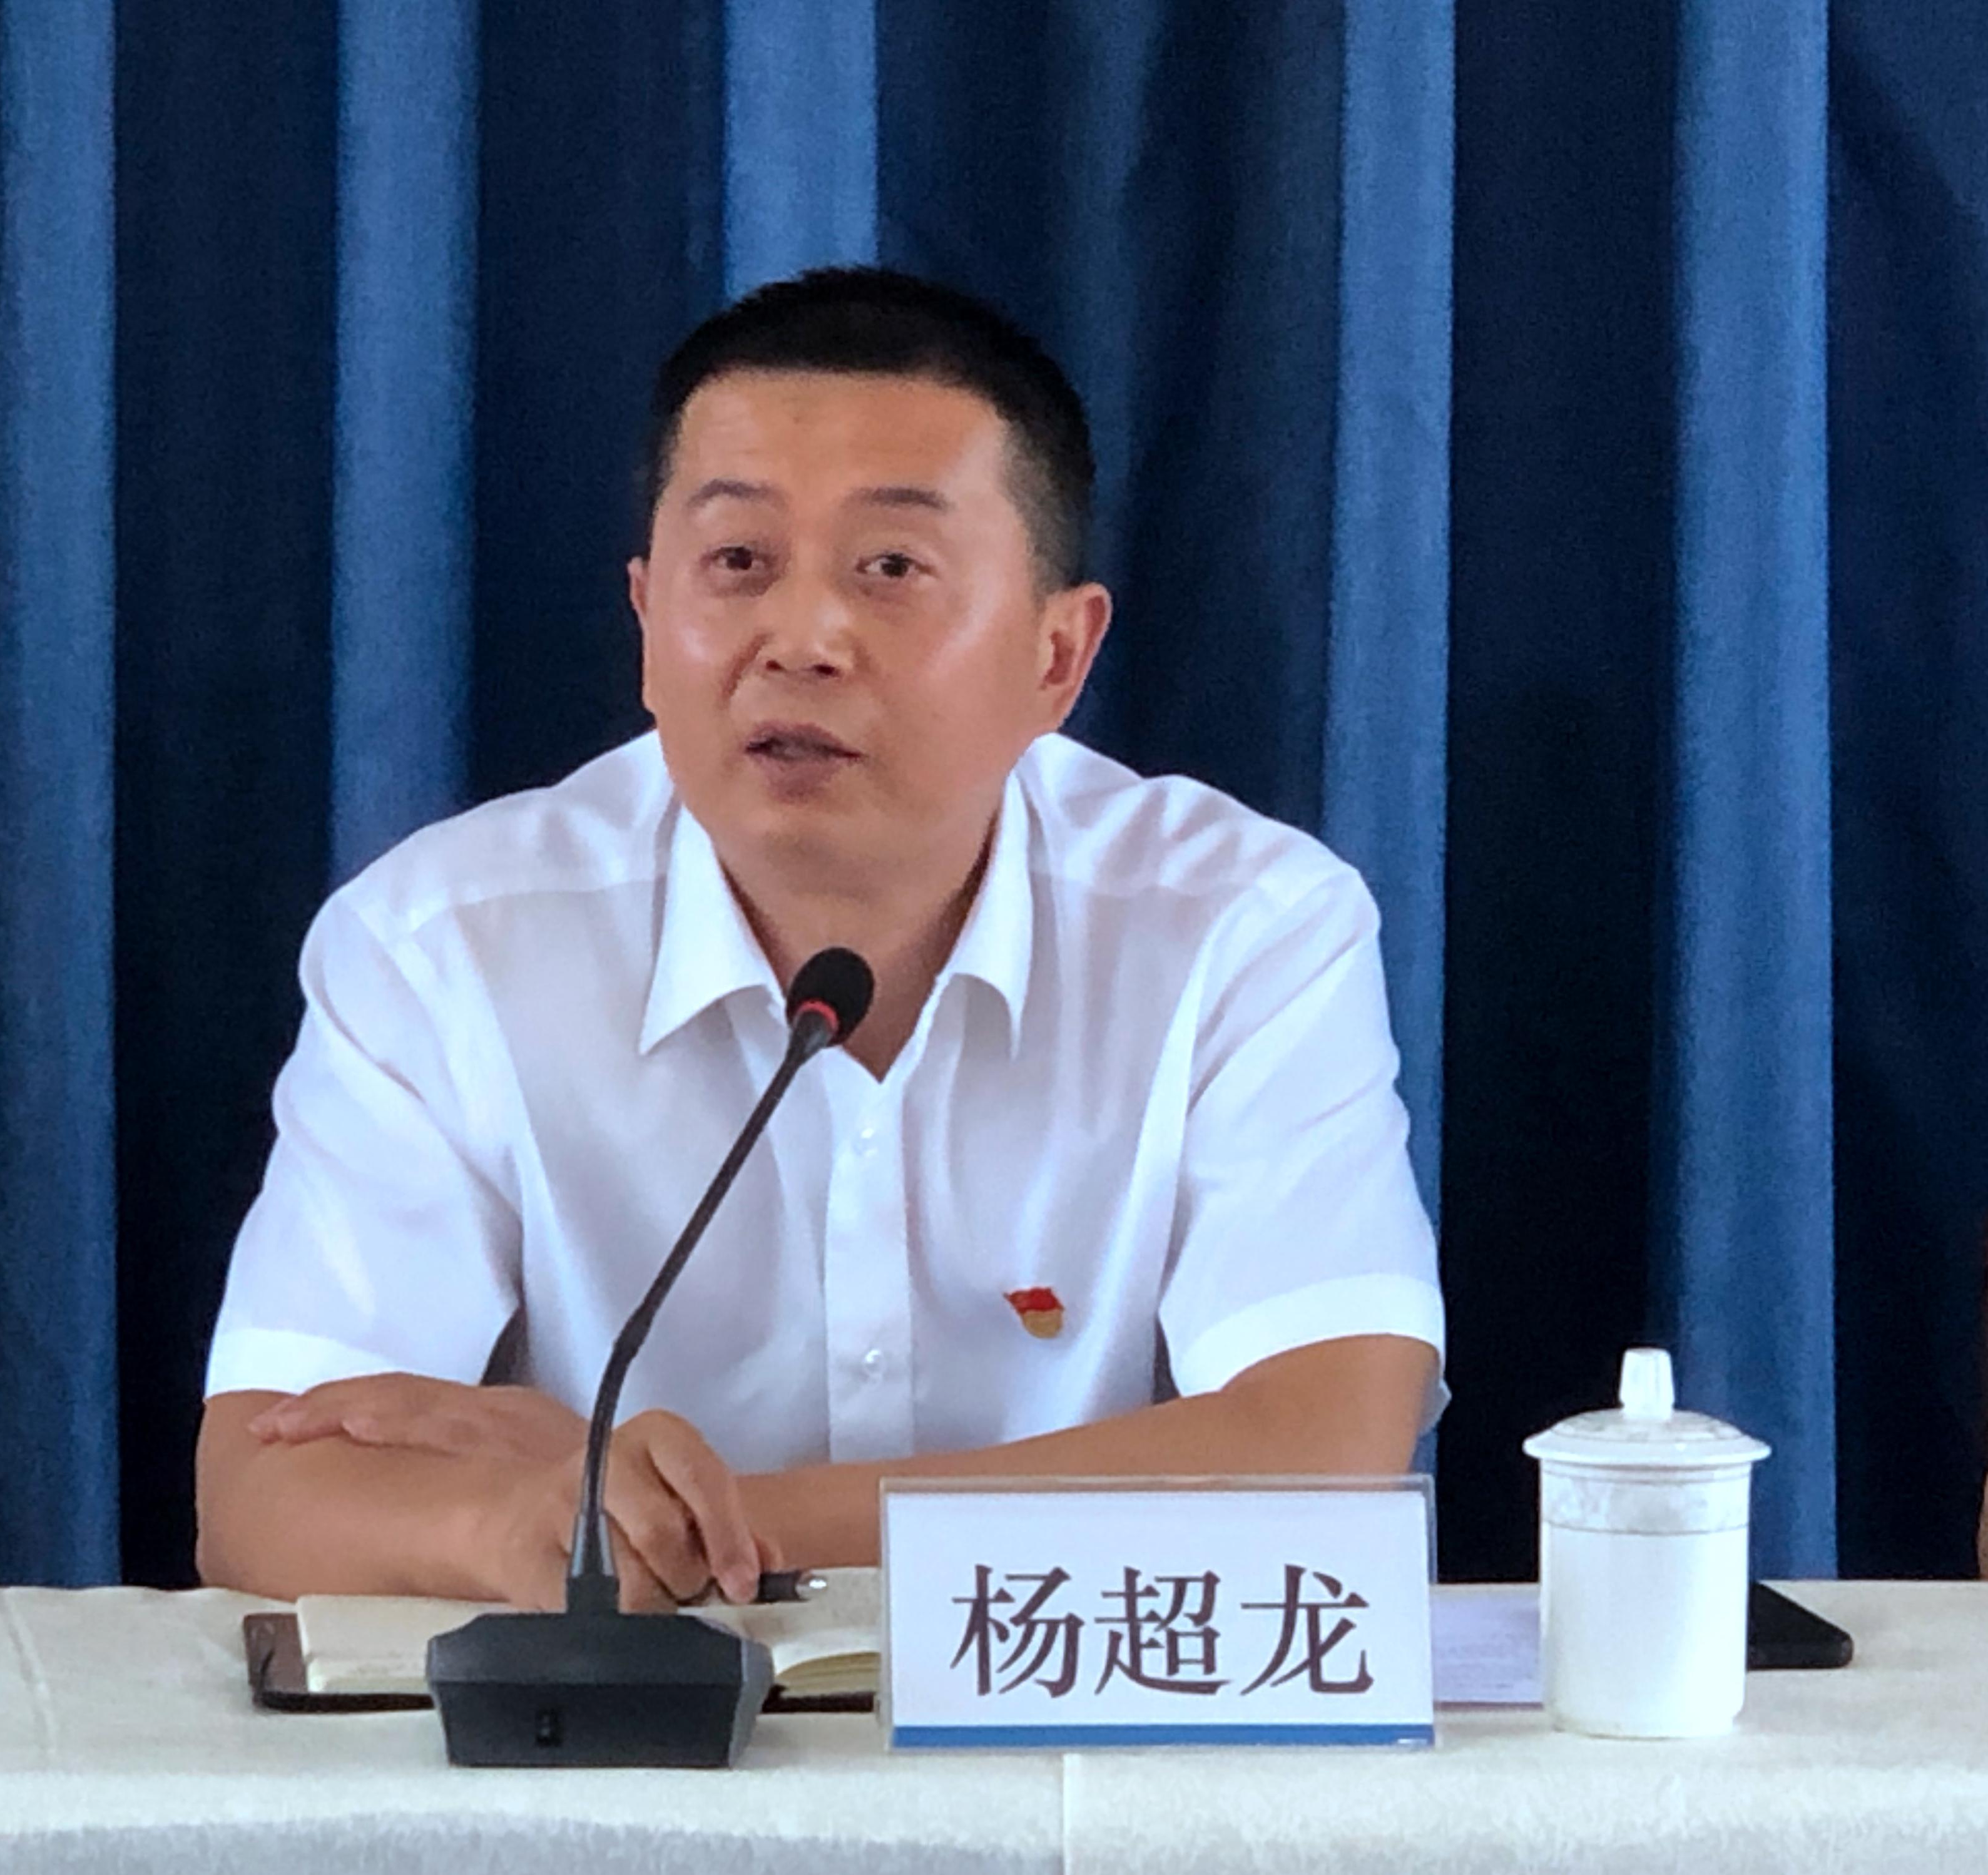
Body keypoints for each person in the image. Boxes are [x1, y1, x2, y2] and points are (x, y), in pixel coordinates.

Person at [195, 267, 1444, 1610]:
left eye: (890, 568)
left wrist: (667, 1529)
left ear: (1056, 657)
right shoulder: (444, 944)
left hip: (1072, 1725)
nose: (800, 638)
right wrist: (512, 1528)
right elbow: (263, 1493)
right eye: (737, 564)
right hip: (615, 1737)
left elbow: (1323, 1450)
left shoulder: (1240, 928)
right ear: (645, 624)